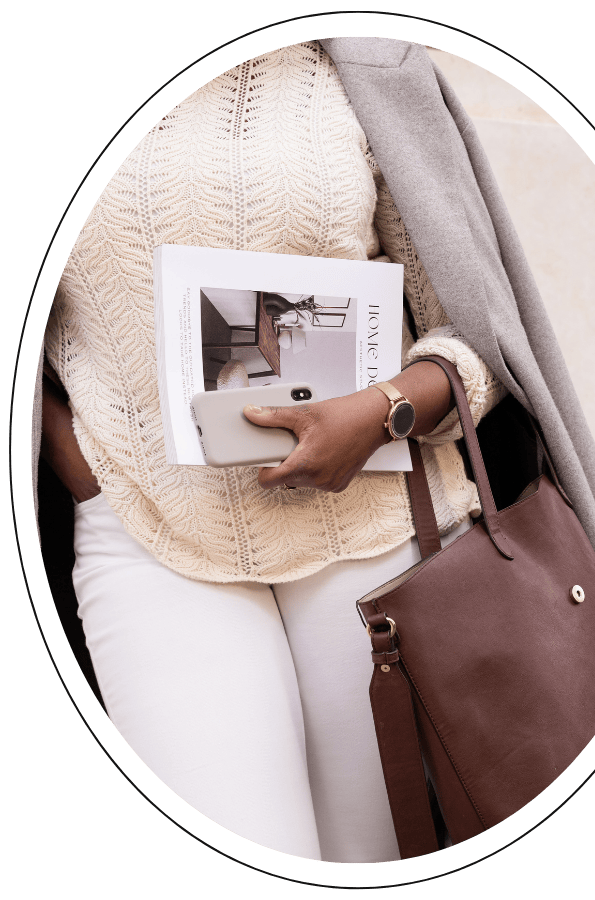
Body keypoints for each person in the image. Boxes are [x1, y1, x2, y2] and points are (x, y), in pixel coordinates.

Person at [38, 40, 509, 862]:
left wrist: (385, 411)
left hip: (368, 531)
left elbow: (474, 331)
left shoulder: (367, 64)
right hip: (149, 535)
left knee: (383, 849)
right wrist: (84, 472)